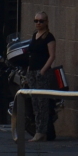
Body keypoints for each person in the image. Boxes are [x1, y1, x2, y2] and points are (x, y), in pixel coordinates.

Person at [26, 11, 57, 142]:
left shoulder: (49, 37)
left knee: (42, 103)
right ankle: (38, 130)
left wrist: (43, 70)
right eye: (36, 21)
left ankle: (41, 131)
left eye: (41, 21)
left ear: (46, 22)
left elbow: (52, 56)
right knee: (35, 103)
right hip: (32, 71)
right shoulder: (35, 36)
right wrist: (29, 69)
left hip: (42, 72)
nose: (38, 23)